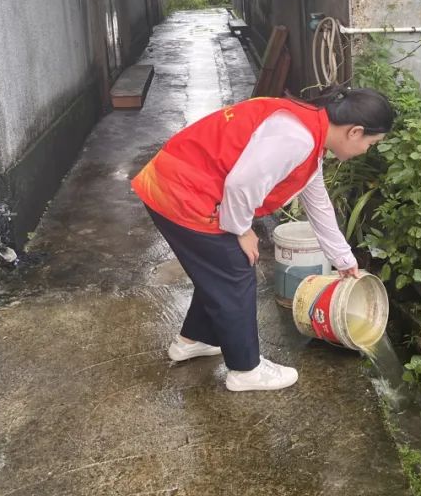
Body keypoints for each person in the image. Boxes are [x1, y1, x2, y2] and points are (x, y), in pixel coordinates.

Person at [131, 87, 394, 392]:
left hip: (176, 181)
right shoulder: (297, 138)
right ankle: (246, 370)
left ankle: (194, 340)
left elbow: (317, 200)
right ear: (355, 131)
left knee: (218, 270)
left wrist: (343, 259)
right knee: (235, 272)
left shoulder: (310, 129)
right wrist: (242, 230)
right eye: (371, 144)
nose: (367, 151)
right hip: (183, 191)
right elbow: (241, 186)